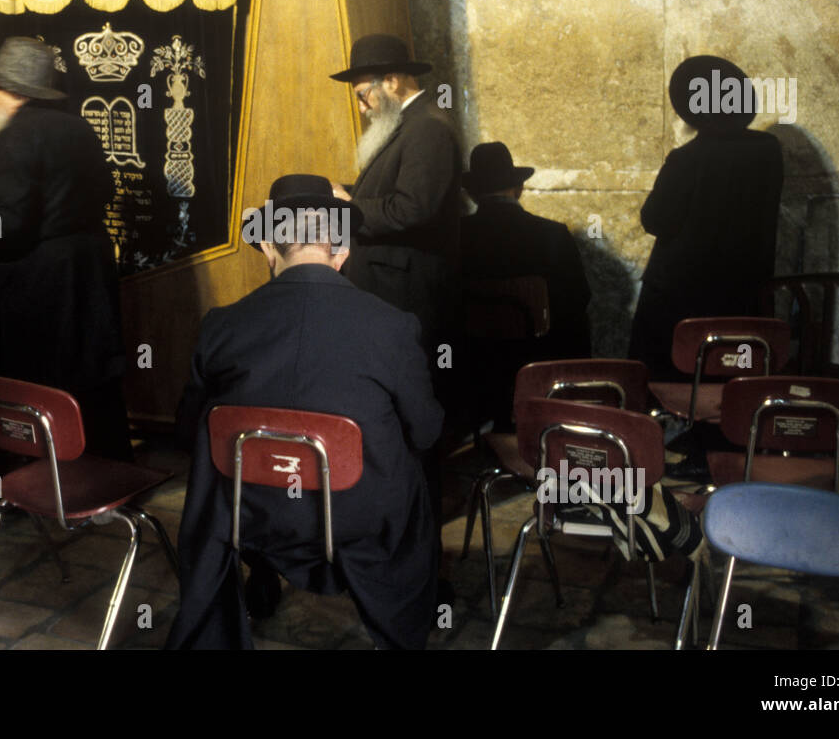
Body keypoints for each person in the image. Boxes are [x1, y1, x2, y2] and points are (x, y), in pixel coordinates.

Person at [166, 175, 443, 649]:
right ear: (342, 252)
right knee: (412, 470)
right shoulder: (393, 327)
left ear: (270, 249)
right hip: (356, 517)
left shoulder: (222, 325)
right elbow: (427, 431)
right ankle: (405, 624)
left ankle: (243, 599)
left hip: (246, 515)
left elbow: (188, 429)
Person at [0, 37, 131, 460]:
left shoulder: (17, 134)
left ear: (13, 92)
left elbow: (4, 229)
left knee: (41, 384)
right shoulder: (77, 126)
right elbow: (102, 191)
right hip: (89, 271)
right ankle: (106, 470)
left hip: (43, 280)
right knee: (91, 377)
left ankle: (45, 481)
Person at [629, 55, 784, 380]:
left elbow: (655, 220)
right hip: (742, 291)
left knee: (666, 374)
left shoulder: (687, 159)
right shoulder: (769, 151)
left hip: (680, 298)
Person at [328, 34, 462, 352]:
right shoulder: (406, 125)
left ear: (390, 81)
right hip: (389, 294)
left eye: (363, 96)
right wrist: (342, 192)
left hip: (407, 298)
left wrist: (350, 208)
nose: (361, 108)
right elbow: (390, 190)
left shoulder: (428, 128)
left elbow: (412, 207)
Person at [458, 142, 592, 431]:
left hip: (475, 364)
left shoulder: (454, 237)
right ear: (518, 188)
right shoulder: (553, 235)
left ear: (471, 194)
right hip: (538, 361)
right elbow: (579, 298)